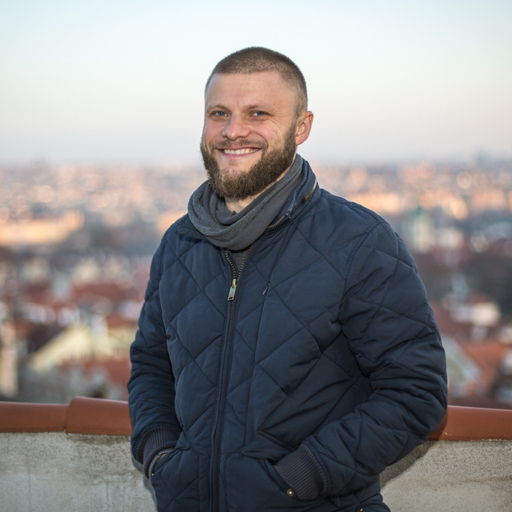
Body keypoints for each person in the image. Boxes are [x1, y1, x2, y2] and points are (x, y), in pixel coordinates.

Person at [128, 47, 447, 512]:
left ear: (302, 127)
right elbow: (152, 365)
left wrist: (302, 477)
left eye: (258, 113)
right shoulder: (181, 242)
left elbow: (416, 393)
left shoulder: (358, 240)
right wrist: (159, 454)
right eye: (219, 113)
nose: (233, 130)